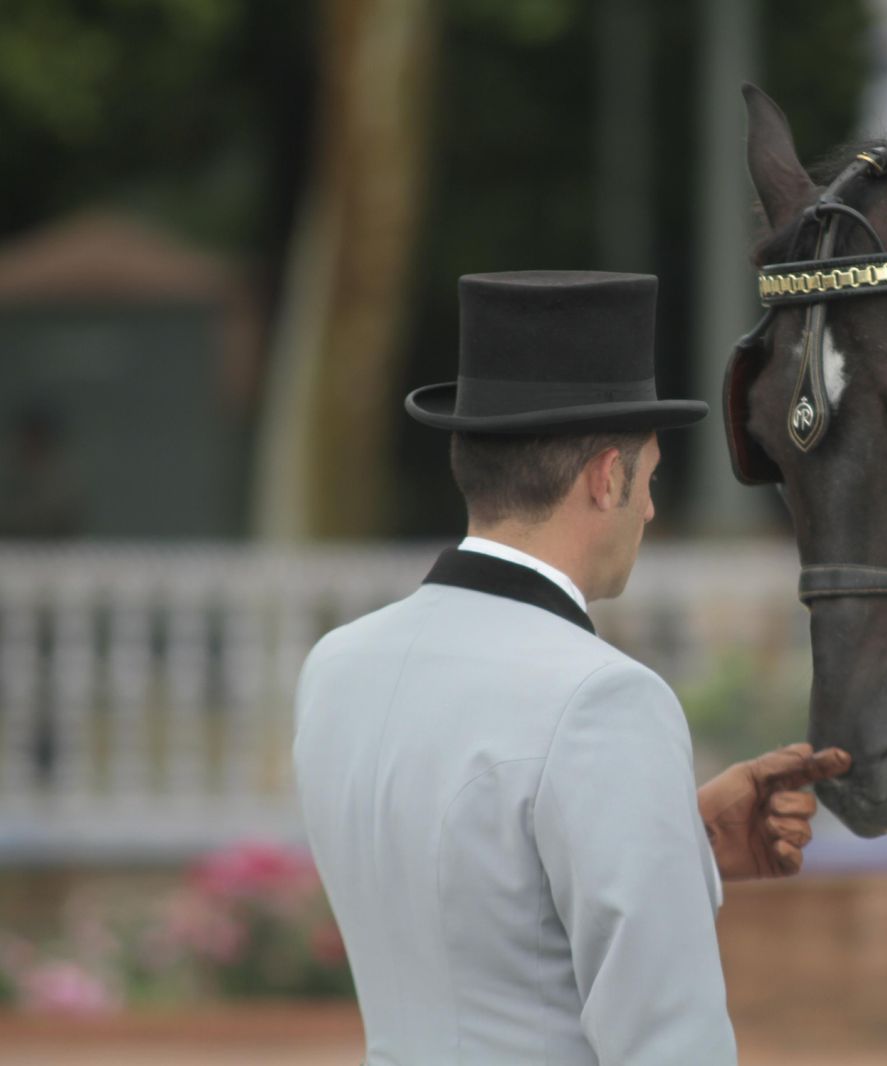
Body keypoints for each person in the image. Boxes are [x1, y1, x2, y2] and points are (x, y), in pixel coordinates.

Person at [293, 271, 850, 1065]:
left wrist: (675, 840)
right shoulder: (603, 697)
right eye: (650, 478)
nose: (651, 510)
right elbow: (668, 1040)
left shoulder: (337, 666)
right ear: (605, 477)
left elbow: (466, 908)